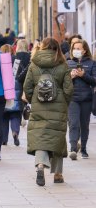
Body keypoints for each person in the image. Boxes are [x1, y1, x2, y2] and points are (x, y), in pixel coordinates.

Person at [23, 37, 73, 186]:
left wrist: (34, 100)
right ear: (56, 47)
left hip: (38, 106)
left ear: (43, 47)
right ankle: (57, 174)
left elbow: (27, 87)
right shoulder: (62, 64)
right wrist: (64, 102)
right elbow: (69, 89)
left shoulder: (34, 64)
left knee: (40, 137)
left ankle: (40, 165)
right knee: (57, 138)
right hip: (58, 107)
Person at [67, 39, 96, 160]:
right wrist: (71, 76)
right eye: (74, 48)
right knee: (73, 123)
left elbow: (94, 80)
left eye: (78, 49)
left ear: (84, 50)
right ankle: (73, 148)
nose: (76, 51)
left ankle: (83, 148)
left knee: (84, 124)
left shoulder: (91, 63)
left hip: (86, 98)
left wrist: (83, 75)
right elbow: (62, 81)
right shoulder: (68, 63)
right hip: (73, 98)